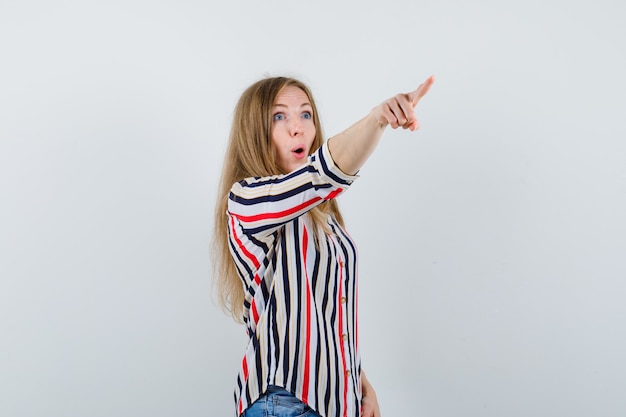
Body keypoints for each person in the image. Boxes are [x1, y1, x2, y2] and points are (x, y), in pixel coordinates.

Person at [213, 75, 434, 417]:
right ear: (254, 132)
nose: (297, 128)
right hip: (282, 403)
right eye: (279, 116)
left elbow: (327, 313)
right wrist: (378, 118)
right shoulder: (247, 200)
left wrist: (360, 383)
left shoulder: (323, 216)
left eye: (305, 114)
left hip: (336, 402)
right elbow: (324, 173)